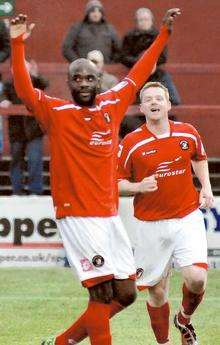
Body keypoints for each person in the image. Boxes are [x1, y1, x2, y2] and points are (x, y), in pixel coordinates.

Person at [10, 9, 180, 345]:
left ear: (99, 80)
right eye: (78, 79)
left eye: (90, 78)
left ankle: (63, 341)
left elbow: (141, 70)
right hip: (78, 215)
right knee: (101, 294)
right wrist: (17, 44)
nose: (85, 83)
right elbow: (24, 89)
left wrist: (163, 34)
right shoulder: (57, 113)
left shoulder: (111, 105)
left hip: (109, 215)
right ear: (69, 82)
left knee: (127, 293)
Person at [118, 81, 214, 345]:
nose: (154, 102)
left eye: (159, 98)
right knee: (157, 292)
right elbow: (116, 184)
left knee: (196, 279)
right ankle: (164, 343)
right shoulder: (131, 142)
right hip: (150, 225)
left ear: (168, 104)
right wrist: (138, 186)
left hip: (187, 217)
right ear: (141, 108)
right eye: (148, 99)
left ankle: (183, 320)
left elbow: (198, 157)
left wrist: (205, 187)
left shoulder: (188, 133)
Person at [0, 60, 49, 195]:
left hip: (34, 129)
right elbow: (3, 96)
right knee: (16, 160)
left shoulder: (35, 81)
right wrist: (4, 101)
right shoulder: (9, 84)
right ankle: (17, 191)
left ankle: (35, 190)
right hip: (16, 129)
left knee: (35, 160)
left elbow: (45, 84)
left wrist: (34, 74)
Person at [121, 7, 181, 105]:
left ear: (151, 21)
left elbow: (163, 57)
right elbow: (123, 57)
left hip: (156, 73)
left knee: (173, 99)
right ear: (136, 22)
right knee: (132, 102)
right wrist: (141, 62)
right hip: (136, 74)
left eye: (146, 19)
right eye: (141, 20)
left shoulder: (158, 35)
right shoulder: (129, 36)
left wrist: (152, 63)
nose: (144, 22)